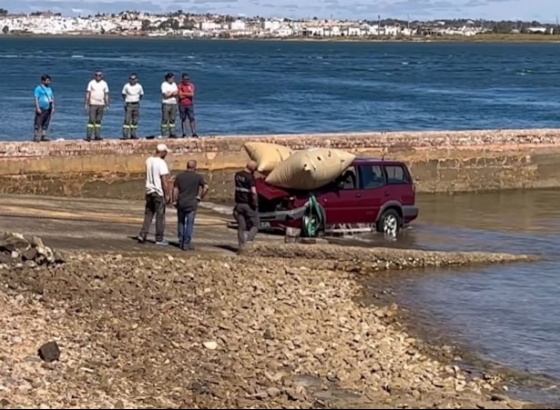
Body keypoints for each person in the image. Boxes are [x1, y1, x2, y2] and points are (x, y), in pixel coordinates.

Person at [138, 144, 172, 246]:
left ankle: (142, 234)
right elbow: (164, 180)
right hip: (158, 192)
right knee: (160, 216)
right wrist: (167, 194)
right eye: (165, 152)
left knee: (148, 214)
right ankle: (159, 238)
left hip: (149, 191)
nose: (166, 154)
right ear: (162, 152)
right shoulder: (161, 163)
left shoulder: (149, 160)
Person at [172, 160, 209, 250]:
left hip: (181, 202)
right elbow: (206, 187)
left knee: (181, 222)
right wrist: (200, 196)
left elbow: (175, 189)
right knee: (189, 223)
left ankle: (181, 241)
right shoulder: (198, 177)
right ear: (195, 167)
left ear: (187, 166)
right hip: (192, 203)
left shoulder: (180, 176)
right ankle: (186, 243)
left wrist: (174, 200)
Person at [233, 161, 259, 250]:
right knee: (255, 225)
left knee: (241, 226)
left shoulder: (237, 175)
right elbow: (253, 192)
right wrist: (255, 203)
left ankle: (241, 245)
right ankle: (247, 244)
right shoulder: (250, 178)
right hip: (248, 204)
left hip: (239, 204)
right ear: (253, 169)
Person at [85, 71, 110, 141]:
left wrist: (107, 104)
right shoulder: (91, 83)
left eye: (99, 75)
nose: (98, 76)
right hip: (93, 104)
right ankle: (89, 136)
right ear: (95, 76)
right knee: (91, 120)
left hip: (101, 104)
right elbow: (88, 93)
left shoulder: (104, 84)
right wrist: (86, 104)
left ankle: (97, 136)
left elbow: (106, 95)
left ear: (102, 76)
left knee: (98, 121)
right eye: (97, 75)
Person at [121, 73, 144, 140]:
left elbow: (141, 94)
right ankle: (125, 135)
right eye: (130, 79)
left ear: (136, 79)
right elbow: (123, 94)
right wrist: (127, 100)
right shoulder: (126, 86)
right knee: (127, 120)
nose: (132, 80)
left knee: (135, 120)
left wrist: (137, 100)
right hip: (129, 104)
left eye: (133, 79)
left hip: (136, 104)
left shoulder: (139, 86)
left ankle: (133, 135)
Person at [33, 75, 55, 142]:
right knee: (38, 122)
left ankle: (43, 136)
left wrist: (53, 107)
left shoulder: (49, 89)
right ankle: (36, 136)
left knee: (46, 122)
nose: (49, 82)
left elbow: (52, 98)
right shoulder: (38, 89)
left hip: (48, 108)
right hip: (41, 108)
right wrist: (37, 107)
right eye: (47, 80)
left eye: (49, 80)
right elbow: (36, 98)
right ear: (43, 81)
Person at [178, 73, 198, 138]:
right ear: (183, 79)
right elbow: (180, 96)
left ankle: (194, 133)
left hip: (189, 104)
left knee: (191, 118)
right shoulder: (180, 85)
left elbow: (191, 94)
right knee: (183, 119)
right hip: (182, 104)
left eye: (188, 79)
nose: (187, 80)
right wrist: (187, 94)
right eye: (185, 79)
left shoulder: (191, 85)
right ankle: (184, 133)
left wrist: (183, 93)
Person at [160, 72, 178, 138]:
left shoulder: (174, 84)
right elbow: (165, 95)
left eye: (173, 78)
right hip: (166, 103)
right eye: (172, 78)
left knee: (172, 119)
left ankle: (172, 133)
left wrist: (170, 94)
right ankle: (164, 133)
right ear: (168, 78)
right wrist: (172, 94)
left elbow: (176, 93)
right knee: (165, 119)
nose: (173, 79)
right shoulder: (164, 84)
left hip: (173, 103)